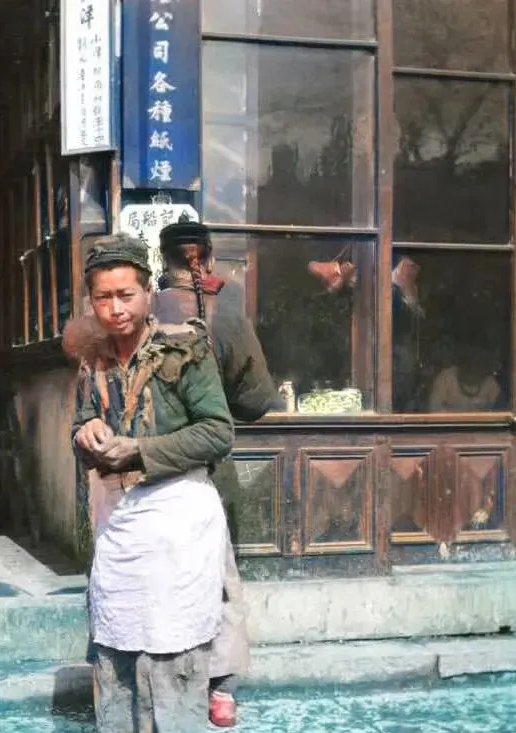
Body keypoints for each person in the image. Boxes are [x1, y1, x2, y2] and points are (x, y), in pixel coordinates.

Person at [65, 233, 234, 732]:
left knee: (174, 651)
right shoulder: (93, 359)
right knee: (117, 648)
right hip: (119, 525)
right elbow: (81, 423)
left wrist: (139, 451)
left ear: (148, 293)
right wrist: (86, 433)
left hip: (178, 521)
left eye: (126, 295)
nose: (115, 309)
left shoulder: (184, 349)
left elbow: (218, 432)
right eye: (103, 297)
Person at [154, 220, 280, 728]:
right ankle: (220, 688)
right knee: (218, 576)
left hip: (146, 468)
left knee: (160, 575)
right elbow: (257, 400)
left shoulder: (143, 312)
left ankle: (165, 680)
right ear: (205, 257)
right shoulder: (225, 312)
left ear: (160, 260)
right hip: (208, 467)